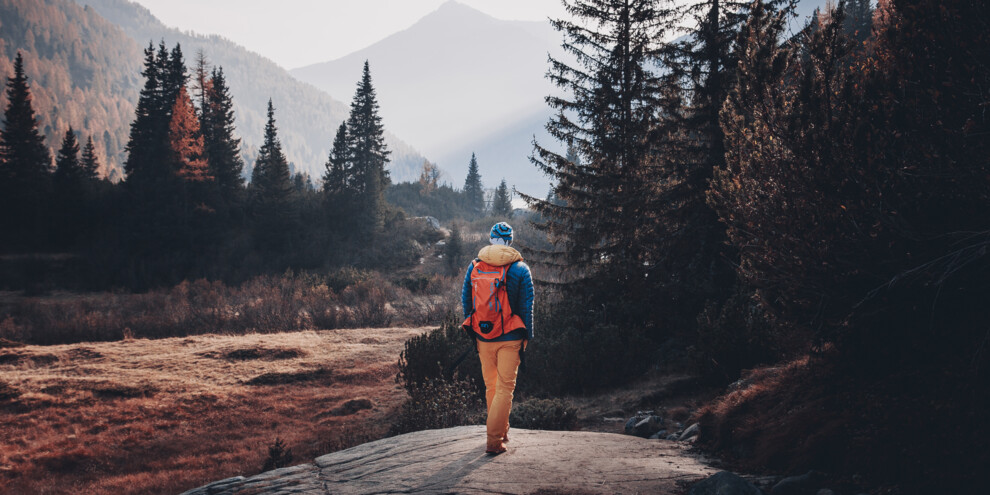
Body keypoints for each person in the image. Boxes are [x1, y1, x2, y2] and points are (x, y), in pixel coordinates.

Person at [461, 221, 534, 455]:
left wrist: (474, 332)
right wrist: (527, 337)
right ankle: (494, 441)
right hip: (510, 337)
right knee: (505, 388)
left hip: (483, 336)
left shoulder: (474, 267)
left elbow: (467, 302)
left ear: (491, 239)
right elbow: (526, 307)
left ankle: (501, 431)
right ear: (510, 241)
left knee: (492, 386)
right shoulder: (521, 269)